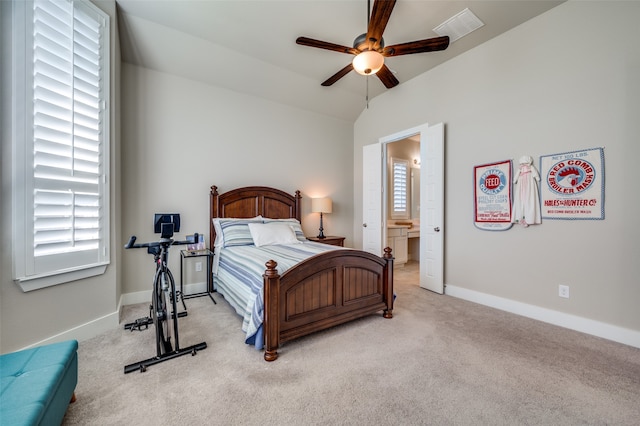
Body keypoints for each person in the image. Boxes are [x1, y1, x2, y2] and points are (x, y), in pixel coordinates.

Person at [512, 155, 541, 227]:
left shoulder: (530, 167)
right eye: (522, 163)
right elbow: (516, 175)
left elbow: (535, 173)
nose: (523, 164)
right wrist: (514, 180)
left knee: (529, 198)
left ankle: (529, 219)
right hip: (521, 183)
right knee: (521, 199)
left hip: (529, 181)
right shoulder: (520, 168)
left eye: (524, 162)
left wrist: (537, 177)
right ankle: (521, 218)